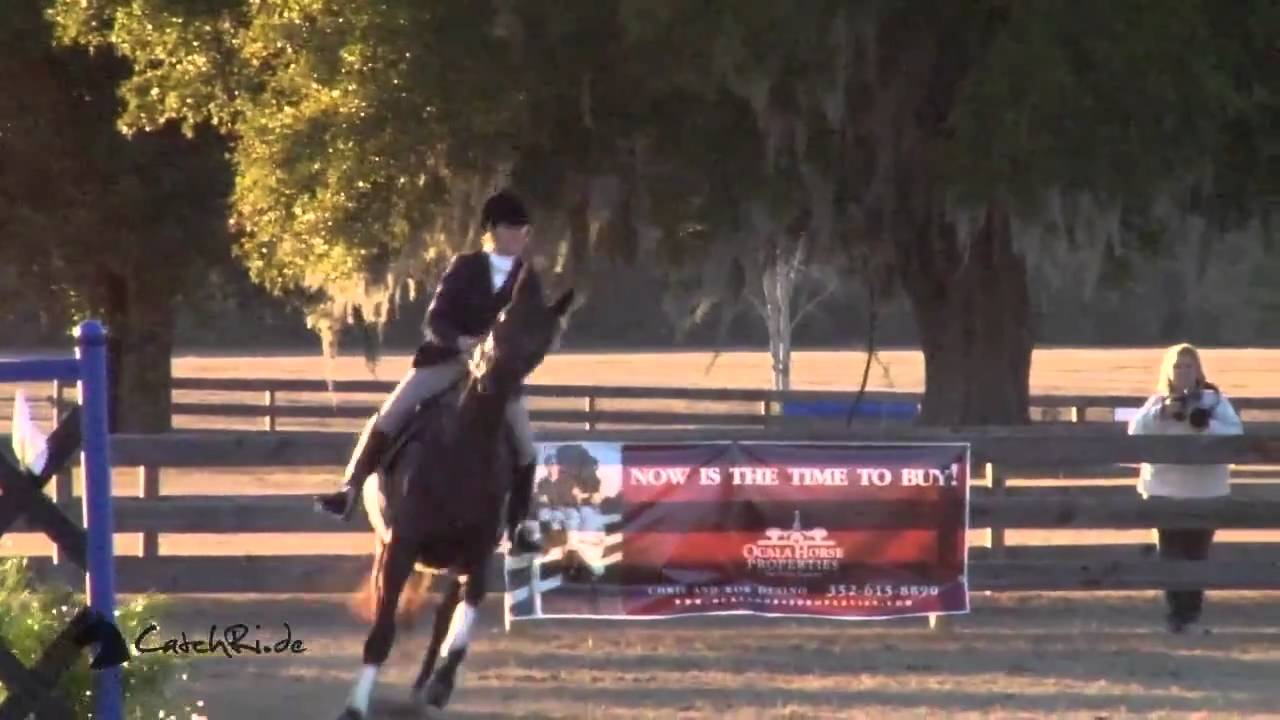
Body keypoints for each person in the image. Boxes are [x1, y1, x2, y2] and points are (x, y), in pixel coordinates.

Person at [315, 189, 545, 554]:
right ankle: (350, 489)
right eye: (512, 228)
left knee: (526, 446)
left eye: (524, 230)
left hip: (494, 378)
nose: (519, 236)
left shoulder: (527, 279)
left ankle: (521, 525)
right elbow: (434, 320)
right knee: (391, 413)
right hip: (447, 361)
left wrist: (515, 358)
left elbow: (532, 330)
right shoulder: (465, 267)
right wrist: (462, 342)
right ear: (492, 230)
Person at [1126, 342, 1244, 634]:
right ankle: (1177, 616)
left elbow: (1236, 434)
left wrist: (1205, 425)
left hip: (1206, 493)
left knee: (1196, 555)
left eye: (1188, 366)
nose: (1182, 371)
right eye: (1177, 366)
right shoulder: (1157, 403)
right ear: (1168, 370)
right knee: (1170, 555)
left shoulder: (1215, 402)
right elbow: (1133, 433)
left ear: (1198, 370)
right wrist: (1162, 414)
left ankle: (1190, 617)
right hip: (1163, 492)